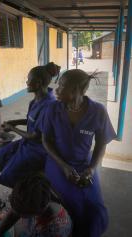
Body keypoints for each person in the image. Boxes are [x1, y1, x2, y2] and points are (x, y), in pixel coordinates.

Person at [42, 69, 116, 237]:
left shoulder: (98, 111)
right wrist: (64, 166)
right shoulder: (53, 108)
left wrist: (91, 169)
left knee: (95, 206)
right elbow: (46, 140)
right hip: (57, 161)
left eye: (62, 86)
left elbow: (101, 144)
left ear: (78, 90)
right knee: (72, 200)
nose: (57, 90)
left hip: (84, 162)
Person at [0, 62, 60, 188]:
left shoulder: (48, 106)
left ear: (37, 83)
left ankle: (24, 190)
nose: (26, 82)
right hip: (27, 143)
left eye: (29, 80)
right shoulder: (36, 100)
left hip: (39, 149)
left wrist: (12, 128)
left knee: (9, 173)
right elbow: (31, 120)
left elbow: (35, 136)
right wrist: (14, 122)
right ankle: (22, 183)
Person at [0, 173, 72, 237]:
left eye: (22, 214)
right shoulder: (26, 199)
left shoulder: (55, 230)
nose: (17, 215)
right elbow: (12, 214)